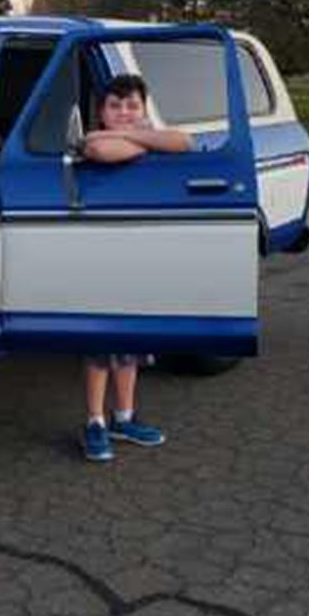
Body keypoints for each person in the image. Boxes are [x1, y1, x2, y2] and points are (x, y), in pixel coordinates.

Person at [78, 73, 193, 463]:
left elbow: (184, 142)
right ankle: (94, 420)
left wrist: (135, 137)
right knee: (100, 342)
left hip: (138, 250)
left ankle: (124, 417)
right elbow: (101, 150)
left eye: (132, 105)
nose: (124, 111)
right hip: (100, 251)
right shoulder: (92, 139)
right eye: (115, 105)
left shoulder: (134, 136)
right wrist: (145, 139)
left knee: (130, 338)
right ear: (101, 111)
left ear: (144, 108)